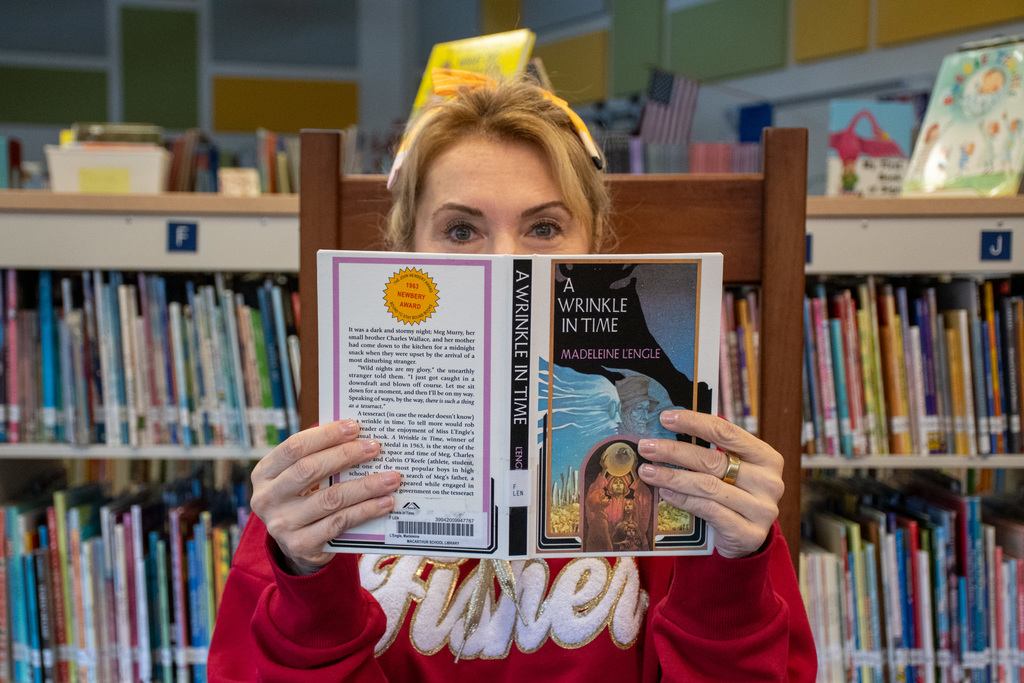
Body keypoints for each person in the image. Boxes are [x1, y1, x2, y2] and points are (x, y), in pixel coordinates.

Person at [209, 72, 816, 682]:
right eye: (460, 230)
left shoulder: (690, 466)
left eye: (544, 228)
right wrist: (307, 585)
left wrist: (732, 572)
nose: (506, 261)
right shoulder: (315, 485)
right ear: (403, 252)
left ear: (595, 248)